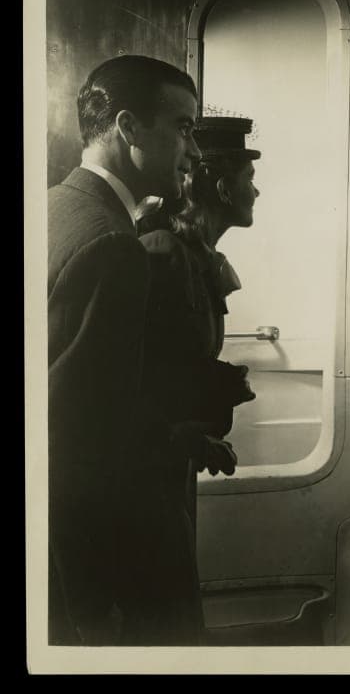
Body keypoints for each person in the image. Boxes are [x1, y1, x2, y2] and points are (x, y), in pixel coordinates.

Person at [48, 54, 208, 645]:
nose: (194, 152)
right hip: (93, 566)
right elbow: (75, 444)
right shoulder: (113, 246)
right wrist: (98, 608)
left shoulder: (51, 207)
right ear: (128, 128)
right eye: (184, 127)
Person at [135, 116, 261, 644]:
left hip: (171, 463)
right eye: (248, 176)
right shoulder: (162, 254)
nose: (257, 188)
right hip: (142, 477)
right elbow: (125, 381)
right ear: (222, 186)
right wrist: (185, 432)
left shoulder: (197, 256)